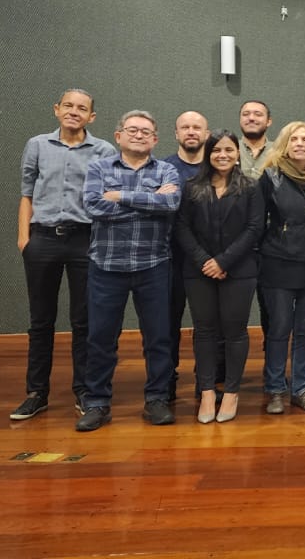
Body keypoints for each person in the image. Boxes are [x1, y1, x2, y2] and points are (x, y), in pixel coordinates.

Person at [11, 89, 116, 421]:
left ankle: (84, 390)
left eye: (81, 108)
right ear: (56, 109)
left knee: (84, 321)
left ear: (91, 117)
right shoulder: (37, 145)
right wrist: (24, 239)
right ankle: (36, 393)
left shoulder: (104, 150)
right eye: (68, 106)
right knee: (41, 320)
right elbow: (27, 193)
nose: (74, 111)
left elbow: (110, 196)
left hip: (85, 240)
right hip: (42, 240)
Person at [76, 110, 181, 431]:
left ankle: (157, 399)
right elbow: (93, 206)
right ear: (118, 136)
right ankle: (97, 402)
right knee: (100, 338)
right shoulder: (99, 168)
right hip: (106, 266)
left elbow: (170, 205)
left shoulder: (167, 170)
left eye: (145, 131)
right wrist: (149, 202)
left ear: (155, 139)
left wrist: (120, 196)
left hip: (154, 265)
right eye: (132, 130)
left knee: (158, 338)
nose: (138, 135)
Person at [175, 130, 263, 424]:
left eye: (228, 150)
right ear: (208, 154)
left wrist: (223, 261)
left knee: (235, 331)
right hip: (198, 271)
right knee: (204, 331)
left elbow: (254, 228)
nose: (222, 155)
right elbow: (182, 227)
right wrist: (205, 261)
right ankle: (208, 392)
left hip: (239, 270)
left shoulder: (251, 187)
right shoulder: (192, 187)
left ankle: (232, 393)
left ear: (238, 154)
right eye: (216, 150)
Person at [257, 121, 305, 415]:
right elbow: (257, 222)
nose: (299, 144)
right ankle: (275, 389)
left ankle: (300, 389)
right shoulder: (271, 177)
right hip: (278, 265)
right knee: (278, 330)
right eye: (294, 139)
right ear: (284, 145)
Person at [164, 110, 209, 401]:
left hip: (208, 260)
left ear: (206, 134)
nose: (191, 132)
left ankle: (207, 381)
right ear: (176, 133)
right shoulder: (163, 168)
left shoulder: (217, 167)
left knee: (208, 325)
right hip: (170, 258)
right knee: (168, 323)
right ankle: (166, 380)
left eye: (197, 127)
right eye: (185, 127)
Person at [238, 100, 274, 180]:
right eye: (245, 114)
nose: (251, 118)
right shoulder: (229, 150)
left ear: (268, 121)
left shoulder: (279, 151)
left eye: (258, 114)